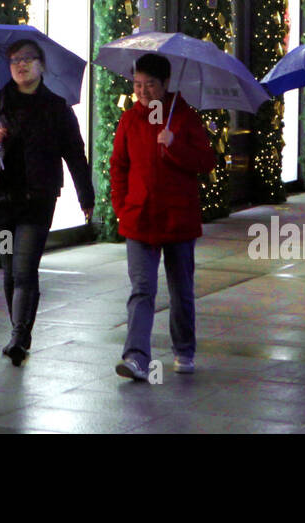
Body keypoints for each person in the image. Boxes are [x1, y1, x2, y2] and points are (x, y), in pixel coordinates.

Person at [0, 38, 94, 365]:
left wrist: (85, 195)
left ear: (41, 64)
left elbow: (75, 154)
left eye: (27, 59)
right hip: (1, 206)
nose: (21, 65)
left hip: (37, 203)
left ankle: (19, 336)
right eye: (14, 60)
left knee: (25, 269)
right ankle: (18, 330)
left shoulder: (56, 108)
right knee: (9, 269)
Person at [109, 53, 216, 381]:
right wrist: (122, 207)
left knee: (181, 288)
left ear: (166, 84)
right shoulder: (129, 120)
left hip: (178, 218)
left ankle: (184, 349)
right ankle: (136, 356)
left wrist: (173, 146)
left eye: (150, 85)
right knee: (141, 289)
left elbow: (206, 161)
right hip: (139, 218)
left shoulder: (183, 118)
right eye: (138, 84)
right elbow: (119, 167)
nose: (142, 91)